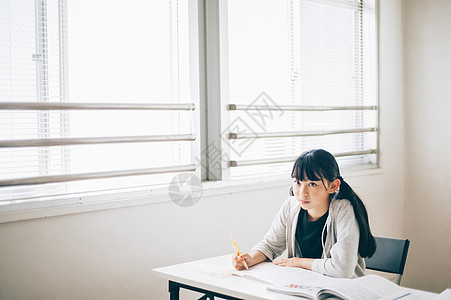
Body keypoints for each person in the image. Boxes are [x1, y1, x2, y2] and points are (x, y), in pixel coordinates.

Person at [232, 149, 376, 278]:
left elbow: (343, 269)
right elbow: (270, 245)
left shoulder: (343, 210)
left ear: (333, 186)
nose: (302, 193)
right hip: (303, 287)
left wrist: (299, 262)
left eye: (312, 184)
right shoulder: (291, 205)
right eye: (297, 182)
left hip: (342, 291)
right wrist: (250, 258)